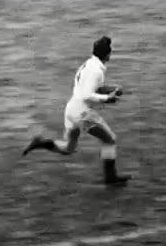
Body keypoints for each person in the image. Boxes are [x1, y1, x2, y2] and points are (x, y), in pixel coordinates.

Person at [22, 35, 131, 184]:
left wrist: (110, 90)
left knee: (68, 148)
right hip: (82, 115)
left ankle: (41, 143)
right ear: (108, 54)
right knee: (109, 140)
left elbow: (88, 89)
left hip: (71, 111)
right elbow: (87, 94)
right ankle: (110, 178)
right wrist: (107, 98)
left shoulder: (88, 64)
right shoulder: (97, 71)